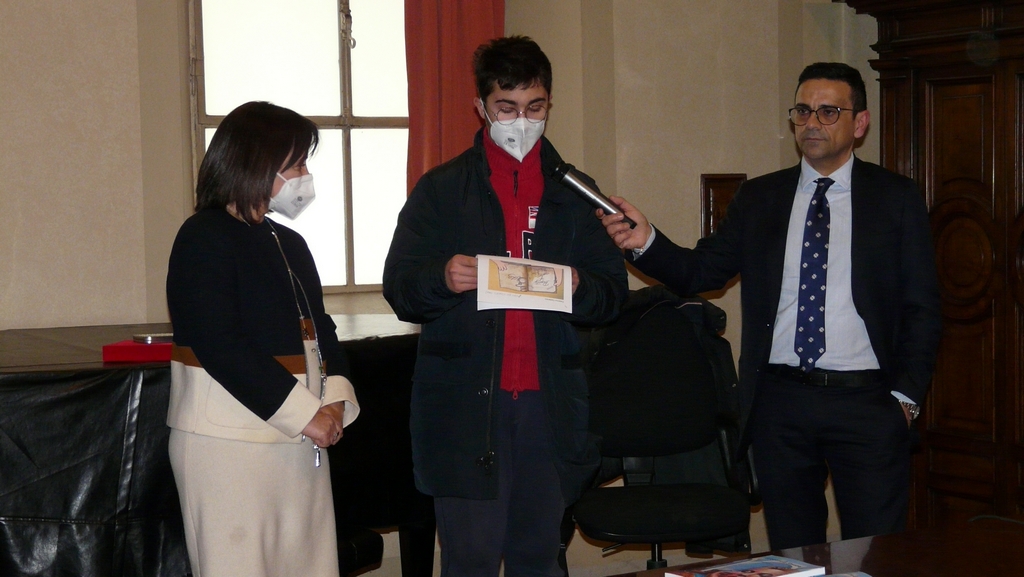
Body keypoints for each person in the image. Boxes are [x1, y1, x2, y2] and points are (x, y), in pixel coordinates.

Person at [600, 62, 942, 550]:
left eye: (828, 112)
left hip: (866, 404)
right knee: (792, 554)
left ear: (860, 123)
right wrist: (647, 241)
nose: (812, 123)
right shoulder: (761, 197)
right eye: (803, 111)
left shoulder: (895, 198)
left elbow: (922, 308)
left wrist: (904, 400)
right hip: (781, 404)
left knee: (874, 555)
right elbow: (702, 271)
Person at [383, 36, 628, 576]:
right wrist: (442, 277)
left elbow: (612, 295)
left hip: (548, 406)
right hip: (466, 407)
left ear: (549, 104)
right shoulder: (442, 189)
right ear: (481, 106)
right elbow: (399, 288)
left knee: (537, 558)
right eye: (507, 108)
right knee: (470, 559)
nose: (522, 121)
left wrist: (576, 285)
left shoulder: (576, 192)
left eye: (535, 108)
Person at [165, 101, 360, 577]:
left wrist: (334, 402)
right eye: (296, 164)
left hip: (299, 436)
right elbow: (219, 344)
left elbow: (322, 328)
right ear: (255, 164)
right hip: (228, 444)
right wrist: (306, 414)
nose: (305, 176)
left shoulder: (288, 241)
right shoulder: (203, 235)